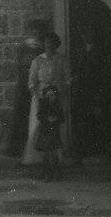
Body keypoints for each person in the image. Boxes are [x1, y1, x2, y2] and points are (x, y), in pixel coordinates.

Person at [69, 28, 111, 163]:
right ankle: (78, 155)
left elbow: (107, 72)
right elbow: (74, 69)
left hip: (97, 92)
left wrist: (100, 91)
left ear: (93, 34)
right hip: (81, 93)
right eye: (83, 34)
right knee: (80, 124)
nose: (85, 36)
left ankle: (110, 153)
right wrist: (75, 78)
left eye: (88, 33)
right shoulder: (78, 50)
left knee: (103, 122)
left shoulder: (102, 50)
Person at [24, 32, 70, 170]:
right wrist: (37, 98)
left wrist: (60, 94)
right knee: (39, 127)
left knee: (55, 127)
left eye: (51, 42)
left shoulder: (62, 59)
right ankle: (38, 159)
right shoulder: (37, 61)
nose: (49, 45)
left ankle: (56, 161)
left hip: (57, 98)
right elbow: (31, 82)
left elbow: (68, 80)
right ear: (44, 44)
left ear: (56, 44)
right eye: (46, 43)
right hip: (41, 98)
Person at [7, 20, 47, 158]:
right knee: (21, 118)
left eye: (38, 31)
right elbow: (19, 66)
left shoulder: (43, 48)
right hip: (24, 86)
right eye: (33, 30)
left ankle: (34, 152)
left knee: (36, 118)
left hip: (37, 86)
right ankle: (17, 151)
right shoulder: (24, 47)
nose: (35, 33)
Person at [35, 85, 65, 182]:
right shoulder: (43, 105)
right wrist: (47, 119)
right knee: (45, 153)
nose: (50, 97)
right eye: (48, 96)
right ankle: (47, 173)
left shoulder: (58, 106)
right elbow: (39, 115)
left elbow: (62, 118)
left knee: (54, 153)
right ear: (45, 96)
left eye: (52, 95)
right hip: (44, 131)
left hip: (54, 131)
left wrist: (56, 119)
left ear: (56, 96)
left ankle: (57, 173)